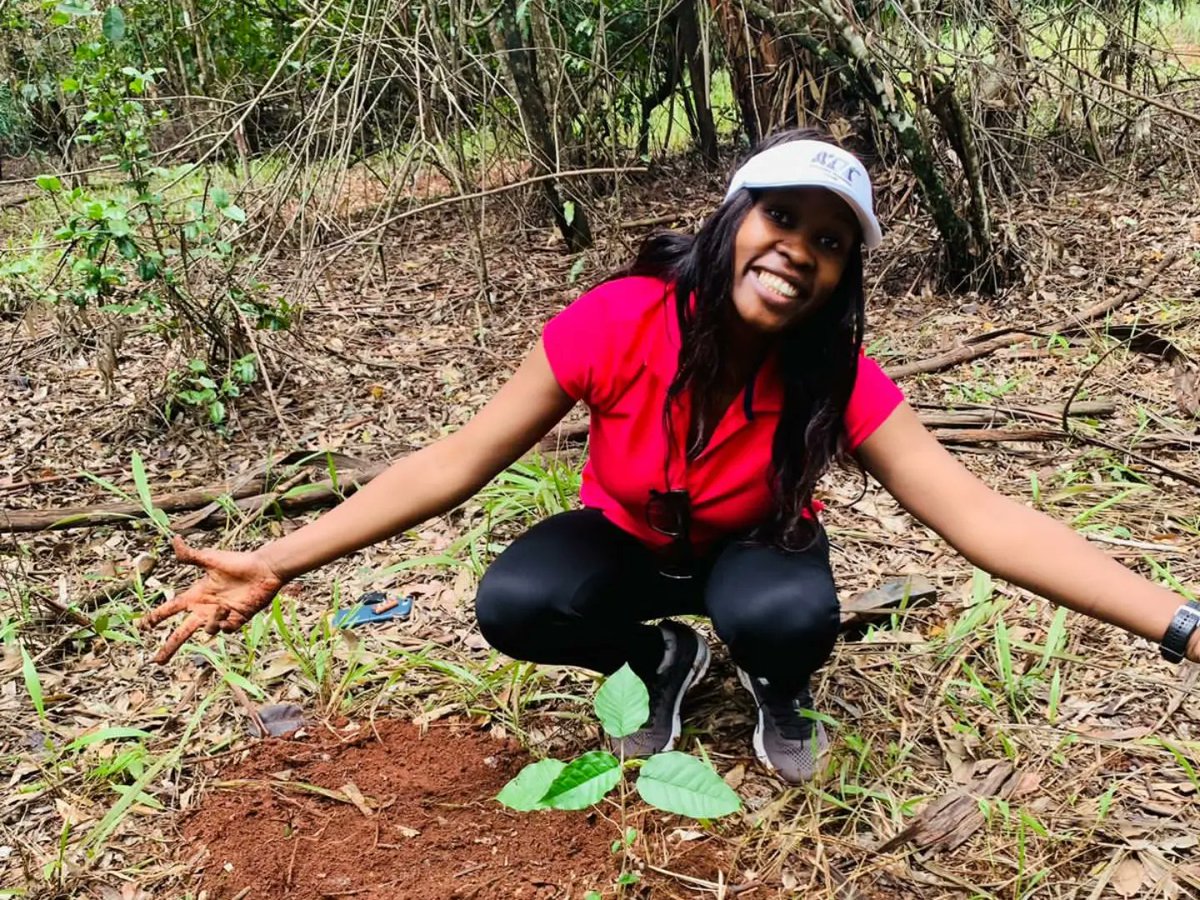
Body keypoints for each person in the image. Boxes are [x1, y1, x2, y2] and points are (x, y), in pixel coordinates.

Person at [141, 129, 1200, 785]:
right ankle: (662, 661)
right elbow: (455, 461)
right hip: (632, 539)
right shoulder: (619, 322)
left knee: (783, 616)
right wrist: (278, 559)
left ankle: (775, 684)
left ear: (844, 276)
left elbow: (984, 520)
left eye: (831, 242)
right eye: (782, 217)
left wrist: (1182, 624)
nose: (799, 249)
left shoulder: (837, 376)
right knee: (517, 602)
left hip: (756, 547)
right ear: (734, 220)